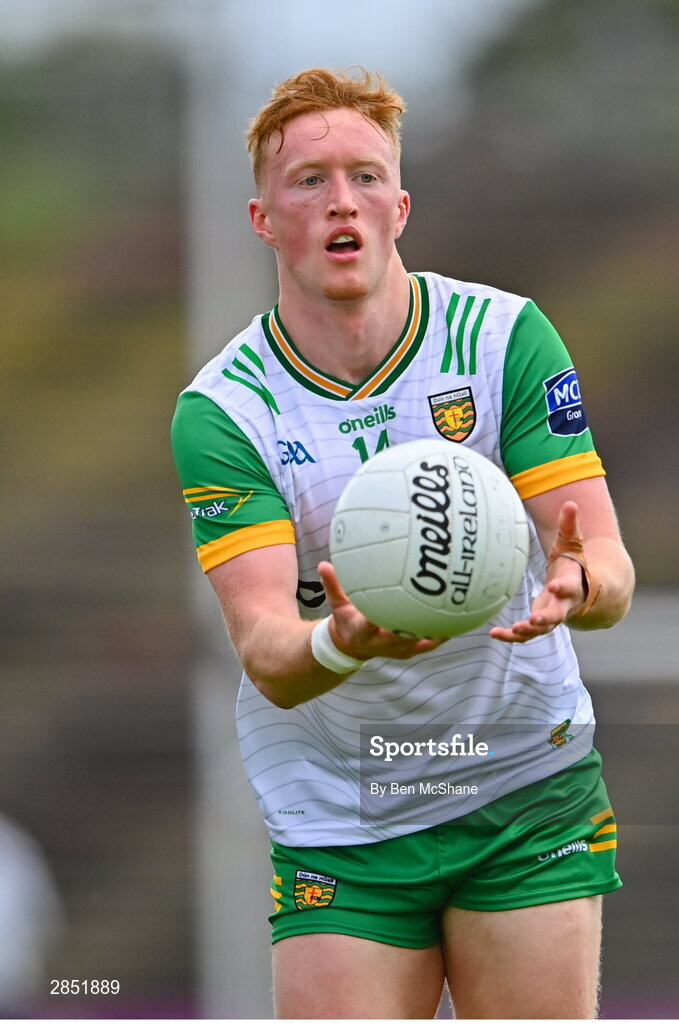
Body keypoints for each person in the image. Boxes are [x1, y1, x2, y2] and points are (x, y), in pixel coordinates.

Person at [171, 66, 635, 1019]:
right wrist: (346, 639)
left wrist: (573, 586)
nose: (342, 201)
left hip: (521, 780)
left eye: (365, 176)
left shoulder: (502, 338)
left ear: (400, 205)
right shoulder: (227, 410)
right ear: (263, 217)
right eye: (309, 181)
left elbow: (609, 570)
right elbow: (268, 652)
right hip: (343, 805)